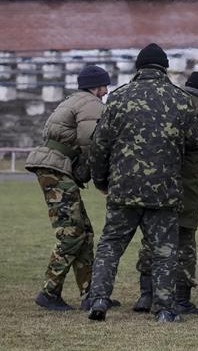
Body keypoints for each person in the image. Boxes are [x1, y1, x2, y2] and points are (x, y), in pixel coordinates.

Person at [85, 43, 198, 323]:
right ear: (164, 67)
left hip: (123, 188)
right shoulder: (180, 99)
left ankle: (99, 298)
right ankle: (164, 309)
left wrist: (102, 181)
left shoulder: (118, 98)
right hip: (164, 190)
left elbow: (99, 145)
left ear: (138, 67)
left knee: (110, 245)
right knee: (164, 250)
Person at [133, 71, 198, 315]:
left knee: (152, 239)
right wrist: (194, 174)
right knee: (184, 243)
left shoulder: (163, 108)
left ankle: (146, 295)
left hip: (154, 184)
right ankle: (181, 300)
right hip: (186, 190)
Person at [26, 65, 111, 311]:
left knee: (84, 232)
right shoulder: (90, 104)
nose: (106, 91)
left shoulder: (74, 100)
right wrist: (100, 178)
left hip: (55, 168)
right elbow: (93, 143)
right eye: (103, 86)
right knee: (72, 234)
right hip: (57, 170)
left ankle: (91, 294)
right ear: (95, 86)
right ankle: (49, 293)